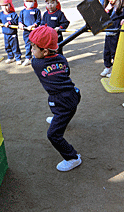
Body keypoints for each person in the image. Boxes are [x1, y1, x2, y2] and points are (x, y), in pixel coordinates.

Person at [29, 26, 82, 172]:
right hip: (74, 94)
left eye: (34, 48)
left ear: (45, 51)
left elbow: (40, 60)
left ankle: (72, 158)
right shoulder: (62, 58)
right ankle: (60, 118)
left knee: (53, 135)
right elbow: (65, 70)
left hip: (63, 103)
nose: (32, 51)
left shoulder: (37, 64)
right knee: (59, 110)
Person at [0, 0, 22, 64]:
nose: (5, 8)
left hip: (13, 34)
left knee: (15, 47)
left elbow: (16, 21)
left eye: (6, 5)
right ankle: (10, 57)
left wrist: (9, 23)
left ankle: (18, 58)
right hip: (5, 34)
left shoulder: (13, 14)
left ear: (10, 5)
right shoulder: (0, 15)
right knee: (7, 46)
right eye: (3, 6)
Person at [19, 0, 41, 66]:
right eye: (27, 1)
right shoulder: (22, 11)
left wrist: (34, 25)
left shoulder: (37, 11)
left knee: (36, 45)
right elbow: (20, 20)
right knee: (28, 45)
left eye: (30, 1)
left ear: (34, 1)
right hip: (26, 32)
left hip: (35, 31)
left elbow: (39, 20)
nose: (29, 3)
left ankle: (36, 58)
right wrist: (20, 24)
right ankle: (28, 58)